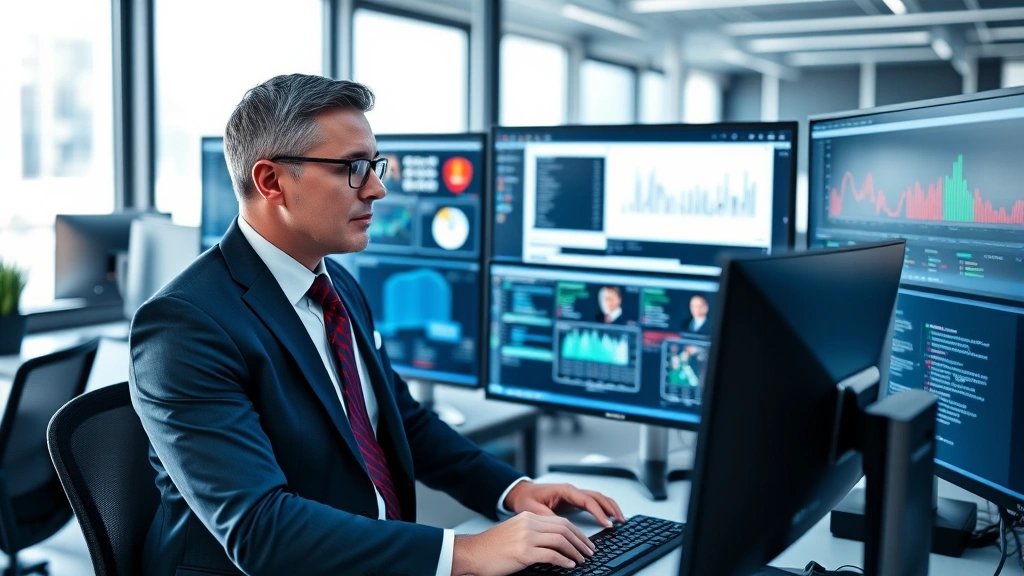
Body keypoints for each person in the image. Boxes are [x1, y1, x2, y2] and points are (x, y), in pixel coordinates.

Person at [129, 74, 624, 576]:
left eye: (375, 165)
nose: (378, 188)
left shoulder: (336, 282)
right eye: (353, 168)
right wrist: (466, 552)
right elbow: (260, 529)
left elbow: (401, 421)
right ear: (271, 181)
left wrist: (514, 490)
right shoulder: (184, 326)